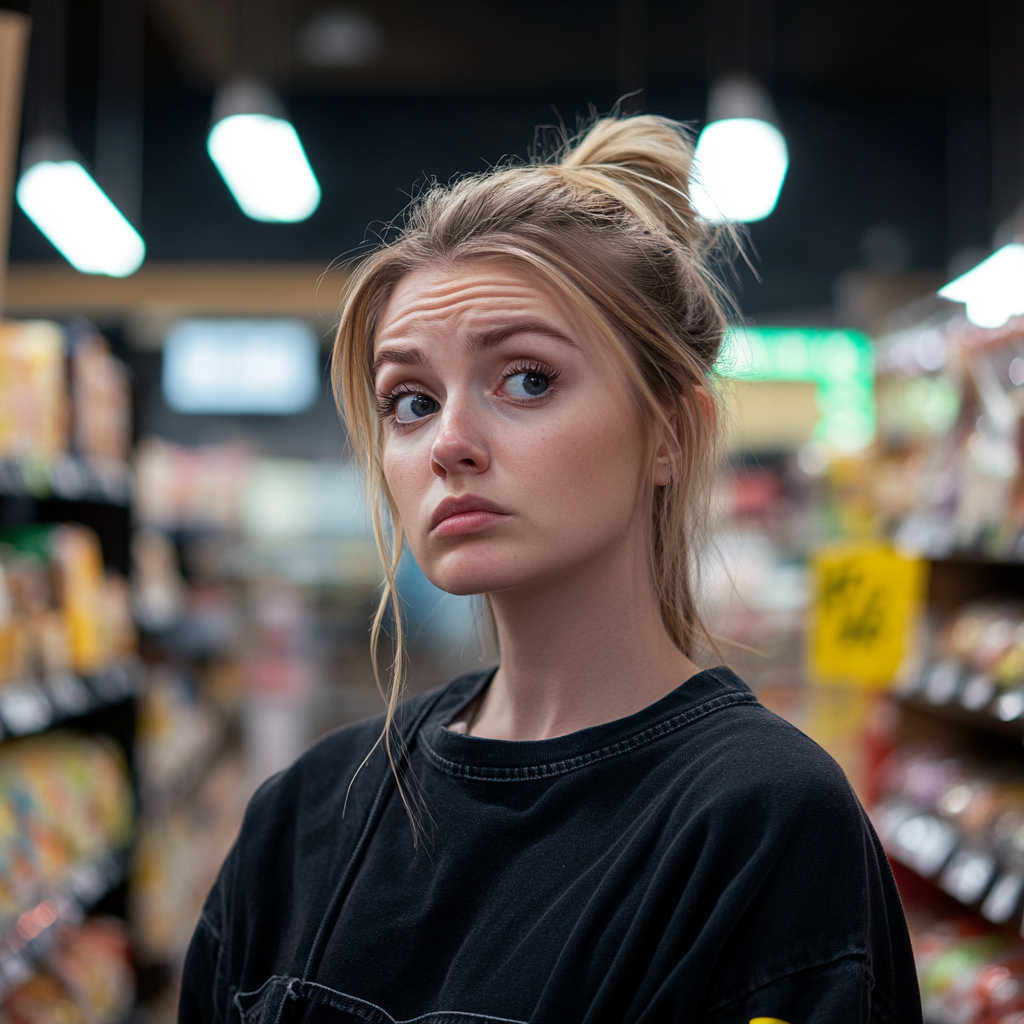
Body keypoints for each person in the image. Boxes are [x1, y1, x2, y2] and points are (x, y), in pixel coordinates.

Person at [179, 115, 922, 1024]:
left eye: (526, 379)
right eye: (410, 401)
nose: (447, 443)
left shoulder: (758, 823)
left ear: (671, 433)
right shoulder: (304, 815)